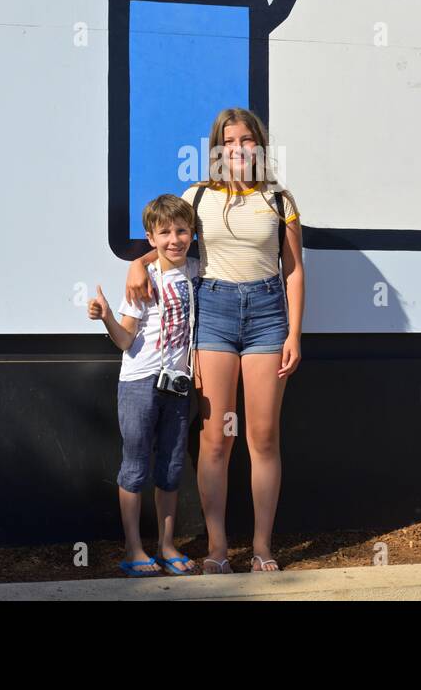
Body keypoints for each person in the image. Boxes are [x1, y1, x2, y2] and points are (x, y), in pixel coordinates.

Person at [125, 108, 304, 573]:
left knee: (262, 437)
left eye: (247, 139)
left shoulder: (280, 199)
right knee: (216, 439)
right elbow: (169, 243)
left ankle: (263, 548)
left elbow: (293, 270)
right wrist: (137, 264)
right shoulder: (198, 196)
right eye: (229, 141)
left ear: (259, 145)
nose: (238, 148)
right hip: (215, 315)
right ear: (217, 149)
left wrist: (294, 334)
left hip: (267, 317)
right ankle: (218, 549)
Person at [88, 194, 199, 577]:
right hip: (139, 382)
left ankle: (167, 546)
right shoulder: (141, 281)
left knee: (170, 468)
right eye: (164, 232)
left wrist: (139, 260)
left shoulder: (198, 270)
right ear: (151, 237)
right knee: (135, 465)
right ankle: (133, 548)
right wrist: (105, 316)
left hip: (179, 384)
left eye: (181, 230)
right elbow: (124, 340)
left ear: (192, 233)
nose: (174, 239)